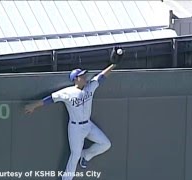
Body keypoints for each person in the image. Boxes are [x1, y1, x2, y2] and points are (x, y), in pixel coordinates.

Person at [24, 47, 124, 180]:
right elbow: (50, 99)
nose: (85, 77)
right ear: (76, 79)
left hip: (88, 125)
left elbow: (101, 77)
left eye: (84, 75)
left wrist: (114, 65)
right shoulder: (67, 92)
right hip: (75, 128)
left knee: (105, 144)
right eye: (82, 76)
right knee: (74, 155)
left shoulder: (90, 86)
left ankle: (86, 155)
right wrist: (34, 106)